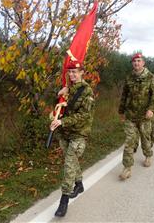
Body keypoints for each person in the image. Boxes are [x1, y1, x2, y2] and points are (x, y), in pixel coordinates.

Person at [50, 60, 95, 217]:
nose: (72, 75)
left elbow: (83, 116)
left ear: (82, 72)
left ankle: (64, 202)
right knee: (72, 161)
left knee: (69, 165)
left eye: (75, 72)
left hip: (79, 133)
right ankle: (79, 184)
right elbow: (59, 108)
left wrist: (62, 121)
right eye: (69, 72)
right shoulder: (67, 89)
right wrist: (59, 96)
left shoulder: (87, 92)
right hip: (65, 133)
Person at [118, 53, 154, 180]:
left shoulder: (150, 77)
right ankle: (127, 168)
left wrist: (151, 109)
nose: (136, 63)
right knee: (129, 142)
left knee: (145, 138)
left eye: (139, 61)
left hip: (144, 116)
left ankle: (148, 155)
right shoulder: (129, 77)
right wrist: (121, 112)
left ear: (143, 63)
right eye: (134, 61)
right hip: (131, 115)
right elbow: (124, 95)